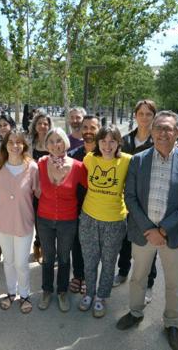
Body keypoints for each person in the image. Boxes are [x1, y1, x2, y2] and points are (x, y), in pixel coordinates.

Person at [117, 111, 178, 350]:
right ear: (151, 132)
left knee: (174, 284)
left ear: (177, 132)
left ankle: (172, 324)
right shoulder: (139, 160)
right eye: (159, 128)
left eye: (169, 128)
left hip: (175, 234)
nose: (163, 133)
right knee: (138, 277)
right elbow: (130, 197)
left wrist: (163, 231)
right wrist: (149, 229)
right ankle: (135, 312)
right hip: (144, 233)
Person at [78, 125, 132, 318]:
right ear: (97, 142)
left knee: (109, 262)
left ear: (118, 143)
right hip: (89, 218)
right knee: (90, 260)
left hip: (115, 221)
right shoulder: (89, 159)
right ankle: (89, 292)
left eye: (112, 141)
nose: (107, 146)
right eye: (103, 141)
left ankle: (101, 296)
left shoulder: (127, 161)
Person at [36, 128, 87, 312]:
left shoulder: (78, 166)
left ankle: (62, 292)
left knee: (65, 258)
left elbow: (93, 186)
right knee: (48, 257)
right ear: (46, 144)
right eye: (51, 141)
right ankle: (47, 290)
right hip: (44, 219)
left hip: (68, 220)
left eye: (59, 140)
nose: (55, 144)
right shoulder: (41, 163)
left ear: (65, 142)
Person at [0, 129, 39, 314]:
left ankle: (25, 294)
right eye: (10, 142)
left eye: (18, 142)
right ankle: (11, 292)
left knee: (21, 262)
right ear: (5, 145)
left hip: (24, 222)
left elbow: (38, 192)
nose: (14, 146)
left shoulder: (32, 167)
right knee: (9, 261)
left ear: (24, 145)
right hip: (3, 222)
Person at [114, 100, 158, 293]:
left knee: (149, 241)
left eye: (149, 114)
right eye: (141, 113)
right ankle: (123, 271)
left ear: (153, 117)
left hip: (148, 200)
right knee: (125, 239)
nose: (145, 117)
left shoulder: (159, 140)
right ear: (135, 116)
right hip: (125, 198)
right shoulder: (125, 140)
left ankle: (148, 282)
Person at [66, 114, 101, 295]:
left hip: (98, 209)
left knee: (93, 246)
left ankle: (89, 277)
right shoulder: (73, 156)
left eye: (92, 128)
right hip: (77, 208)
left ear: (99, 130)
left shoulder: (106, 155)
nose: (88, 131)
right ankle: (78, 275)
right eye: (85, 127)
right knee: (77, 244)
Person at [0, 113, 16, 265]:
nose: (2, 128)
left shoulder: (17, 141)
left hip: (15, 187)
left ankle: (13, 248)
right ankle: (0, 247)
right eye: (0, 126)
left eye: (5, 124)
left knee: (14, 218)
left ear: (11, 125)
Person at [28, 112, 52, 262]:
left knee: (47, 217)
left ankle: (46, 244)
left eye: (45, 124)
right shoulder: (30, 142)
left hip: (50, 187)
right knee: (37, 217)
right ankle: (38, 243)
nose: (43, 126)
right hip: (33, 187)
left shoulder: (53, 142)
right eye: (40, 123)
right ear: (35, 126)